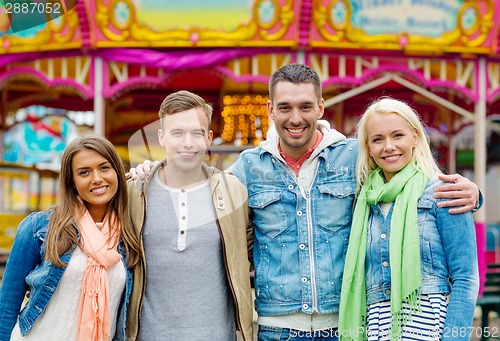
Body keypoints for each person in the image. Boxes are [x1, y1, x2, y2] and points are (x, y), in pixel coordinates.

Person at [129, 64, 481, 341]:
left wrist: (473, 194)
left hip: (343, 324)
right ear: (270, 109)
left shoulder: (353, 157)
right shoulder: (248, 169)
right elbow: (199, 185)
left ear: (320, 107)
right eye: (284, 107)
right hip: (276, 327)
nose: (295, 118)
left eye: (304, 106)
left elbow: (404, 176)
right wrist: (153, 170)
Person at [339, 97, 479, 340]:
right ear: (368, 147)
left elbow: (465, 278)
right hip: (376, 329)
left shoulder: (443, 192)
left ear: (415, 137)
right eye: (378, 139)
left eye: (397, 135)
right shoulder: (364, 201)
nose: (389, 146)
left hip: (429, 329)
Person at [122, 90, 254, 341]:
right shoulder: (134, 193)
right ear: (161, 137)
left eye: (197, 133)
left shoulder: (234, 192)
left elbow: (251, 253)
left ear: (209, 137)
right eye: (177, 133)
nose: (188, 143)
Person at [0, 135, 142, 341]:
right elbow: (7, 306)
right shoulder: (39, 227)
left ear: (118, 173)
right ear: (72, 182)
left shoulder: (130, 233)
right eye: (84, 172)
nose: (97, 178)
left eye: (104, 168)